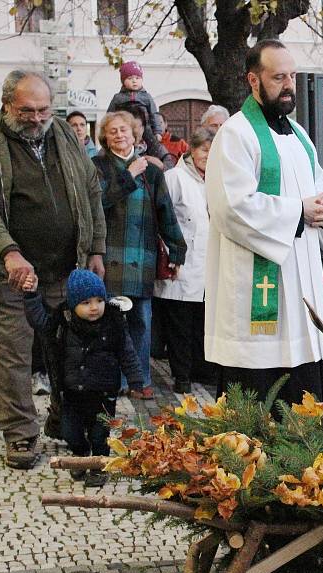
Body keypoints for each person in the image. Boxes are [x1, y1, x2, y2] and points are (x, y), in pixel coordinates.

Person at [0, 70, 106, 468]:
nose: (36, 118)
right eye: (27, 110)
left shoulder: (64, 135)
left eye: (43, 109)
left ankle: (62, 421)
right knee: (10, 354)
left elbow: (90, 189)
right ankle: (20, 436)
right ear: (6, 105)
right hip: (7, 274)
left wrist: (97, 248)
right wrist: (9, 252)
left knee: (69, 351)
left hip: (65, 269)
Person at [204, 40, 323, 405]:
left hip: (302, 282)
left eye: (292, 76)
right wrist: (300, 212)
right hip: (259, 290)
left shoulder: (299, 136)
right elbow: (231, 207)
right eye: (278, 77)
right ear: (253, 80)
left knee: (304, 389)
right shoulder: (236, 134)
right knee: (258, 392)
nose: (288, 84)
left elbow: (322, 185)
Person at [93, 110, 187, 400]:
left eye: (124, 130)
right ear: (105, 138)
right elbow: (98, 204)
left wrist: (177, 249)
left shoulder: (153, 171)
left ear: (135, 134)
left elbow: (166, 212)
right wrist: (128, 176)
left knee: (141, 321)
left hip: (142, 255)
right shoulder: (96, 166)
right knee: (111, 321)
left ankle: (140, 379)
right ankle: (114, 379)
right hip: (108, 256)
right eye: (113, 131)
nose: (119, 135)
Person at [23, 269, 143, 485]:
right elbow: (40, 322)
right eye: (86, 302)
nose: (95, 307)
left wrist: (135, 380)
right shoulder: (63, 322)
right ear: (72, 304)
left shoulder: (113, 323)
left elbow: (127, 352)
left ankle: (98, 466)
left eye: (99, 300)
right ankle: (80, 456)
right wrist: (32, 296)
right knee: (71, 433)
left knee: (100, 435)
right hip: (72, 393)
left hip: (103, 394)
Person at [153, 127, 216, 393]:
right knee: (180, 326)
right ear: (192, 149)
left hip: (208, 268)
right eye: (203, 149)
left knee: (202, 324)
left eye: (213, 152)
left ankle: (201, 371)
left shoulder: (215, 180)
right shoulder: (176, 177)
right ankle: (182, 375)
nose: (207, 156)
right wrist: (171, 254)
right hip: (181, 264)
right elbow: (162, 217)